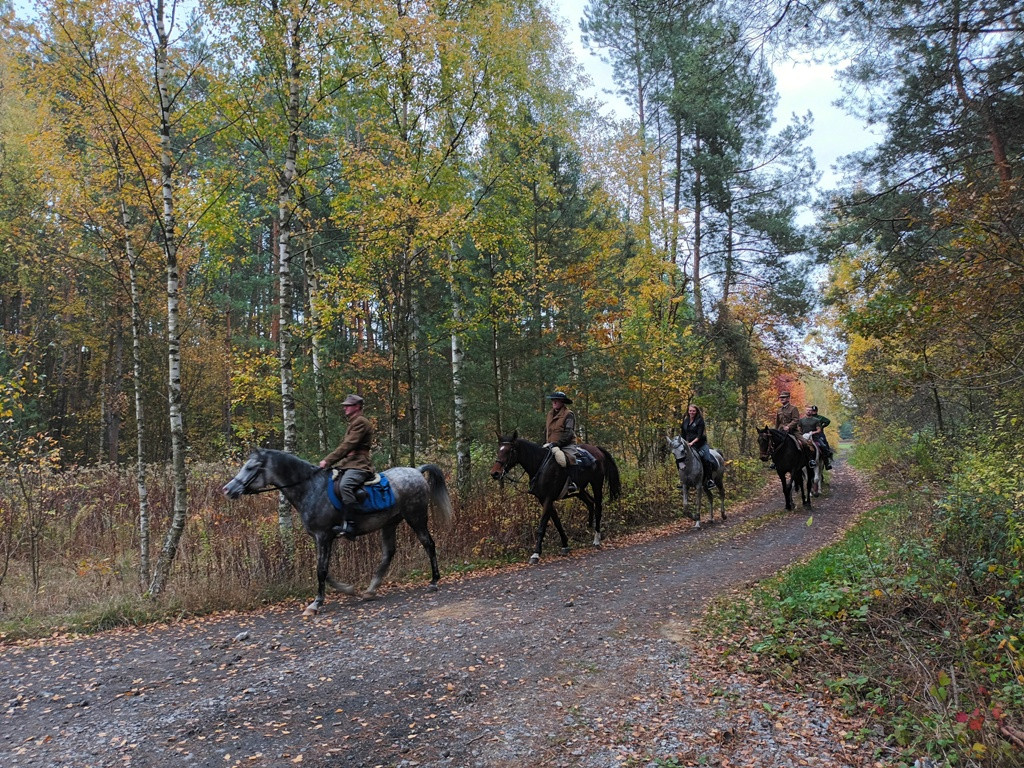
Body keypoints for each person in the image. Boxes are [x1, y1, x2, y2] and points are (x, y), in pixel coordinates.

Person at [320, 393, 374, 539]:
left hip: (359, 465)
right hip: (349, 464)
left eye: (348, 405)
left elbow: (348, 445)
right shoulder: (353, 422)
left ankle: (353, 524)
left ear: (357, 407)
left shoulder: (361, 422)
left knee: (345, 486)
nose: (345, 408)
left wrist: (328, 460)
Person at [543, 391, 580, 494]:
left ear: (562, 402)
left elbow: (569, 433)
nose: (554, 402)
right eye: (553, 400)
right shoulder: (550, 414)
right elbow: (547, 431)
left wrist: (558, 444)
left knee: (569, 458)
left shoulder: (568, 414)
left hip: (566, 444)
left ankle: (572, 483)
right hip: (550, 444)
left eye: (556, 400)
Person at [774, 391, 815, 468]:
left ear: (788, 398)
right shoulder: (779, 410)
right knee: (773, 443)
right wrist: (776, 431)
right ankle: (774, 462)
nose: (782, 399)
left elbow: (796, 420)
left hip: (793, 431)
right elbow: (777, 422)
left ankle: (810, 460)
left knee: (804, 443)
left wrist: (789, 426)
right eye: (781, 397)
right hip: (781, 431)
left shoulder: (793, 408)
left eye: (784, 397)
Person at [680, 404, 717, 489]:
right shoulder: (686, 421)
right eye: (690, 411)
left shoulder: (700, 421)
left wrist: (691, 443)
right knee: (680, 459)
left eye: (693, 411)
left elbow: (699, 435)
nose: (691, 412)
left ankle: (709, 480)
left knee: (707, 459)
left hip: (700, 444)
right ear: (688, 411)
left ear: (696, 411)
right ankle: (683, 480)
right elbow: (683, 434)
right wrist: (683, 443)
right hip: (688, 445)